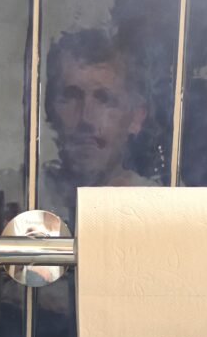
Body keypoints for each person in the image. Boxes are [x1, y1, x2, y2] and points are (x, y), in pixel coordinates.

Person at [40, 28, 159, 220]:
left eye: (104, 99)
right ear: (49, 108)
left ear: (136, 117)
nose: (86, 118)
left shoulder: (159, 209)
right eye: (71, 96)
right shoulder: (20, 195)